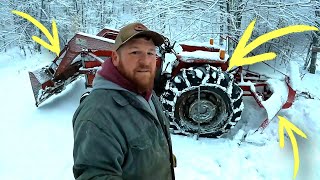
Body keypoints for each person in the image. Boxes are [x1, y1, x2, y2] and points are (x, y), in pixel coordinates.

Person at [72, 22, 176, 180]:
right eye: (135, 52)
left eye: (150, 53)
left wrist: (163, 160)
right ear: (115, 58)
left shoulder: (146, 92)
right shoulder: (98, 114)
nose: (145, 61)